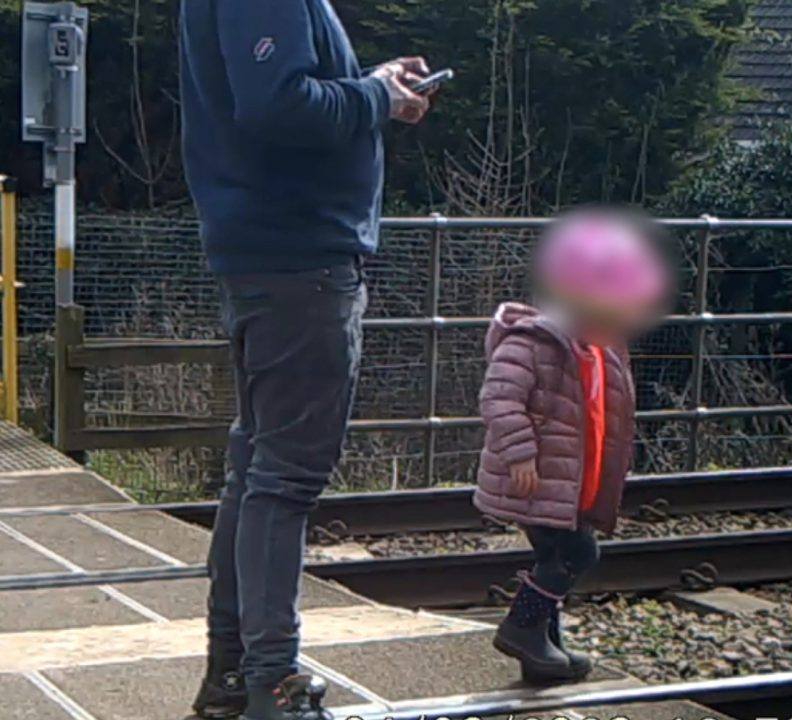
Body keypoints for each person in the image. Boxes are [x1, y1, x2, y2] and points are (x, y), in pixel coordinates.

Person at [179, 1, 432, 717]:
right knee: (282, 478)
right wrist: (377, 95)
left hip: (268, 255)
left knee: (257, 469)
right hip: (301, 259)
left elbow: (285, 93)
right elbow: (279, 107)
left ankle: (236, 675)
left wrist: (369, 84)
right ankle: (272, 681)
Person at [474, 210, 671, 684]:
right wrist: (521, 454)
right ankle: (523, 629)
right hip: (537, 479)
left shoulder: (601, 350)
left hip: (571, 483)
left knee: (554, 558)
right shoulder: (534, 342)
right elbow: (499, 397)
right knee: (576, 555)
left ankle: (545, 651)